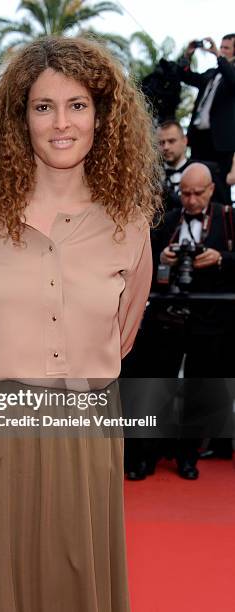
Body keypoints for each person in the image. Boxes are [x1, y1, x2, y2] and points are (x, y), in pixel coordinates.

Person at [0, 36, 161, 612]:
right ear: (20, 117)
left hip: (77, 427)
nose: (62, 122)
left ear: (102, 114)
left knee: (74, 592)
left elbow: (122, 333)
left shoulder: (129, 223)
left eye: (77, 105)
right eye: (43, 106)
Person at [124, 163, 235, 480]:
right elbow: (142, 258)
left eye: (197, 193)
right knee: (157, 389)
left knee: (200, 391)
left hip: (210, 321)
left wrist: (220, 258)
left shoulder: (227, 219)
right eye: (184, 193)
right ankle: (145, 457)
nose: (190, 200)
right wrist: (162, 257)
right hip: (168, 319)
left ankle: (188, 457)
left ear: (211, 190)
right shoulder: (169, 220)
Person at [178, 34, 235, 201]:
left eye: (226, 48)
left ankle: (221, 223)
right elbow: (187, 76)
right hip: (199, 137)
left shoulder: (230, 74)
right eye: (221, 47)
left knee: (218, 187)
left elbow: (232, 80)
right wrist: (188, 55)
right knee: (193, 178)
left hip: (219, 142)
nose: (222, 50)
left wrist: (218, 56)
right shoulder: (211, 73)